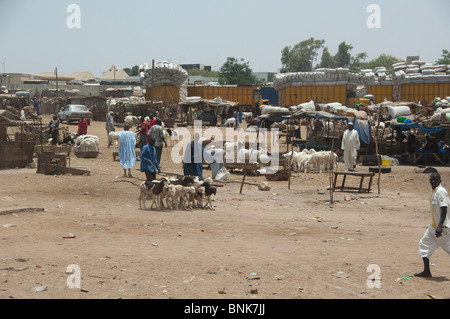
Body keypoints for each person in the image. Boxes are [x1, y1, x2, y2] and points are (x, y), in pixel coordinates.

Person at [415, 171, 450, 278]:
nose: (433, 181)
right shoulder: (434, 191)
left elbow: (444, 209)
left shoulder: (441, 192)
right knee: (424, 244)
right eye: (431, 179)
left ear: (440, 181)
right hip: (433, 227)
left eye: (435, 179)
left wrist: (440, 226)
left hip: (442, 228)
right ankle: (427, 271)